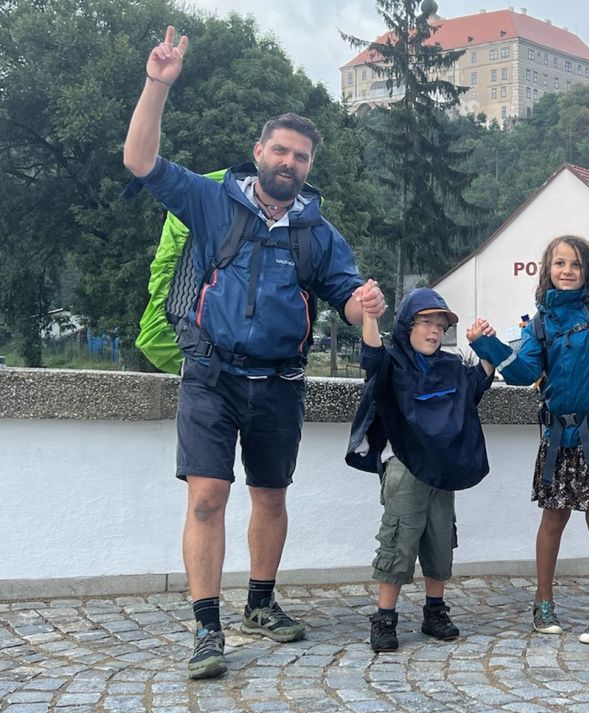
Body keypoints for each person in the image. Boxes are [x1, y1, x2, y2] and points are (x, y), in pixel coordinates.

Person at [123, 26, 385, 679]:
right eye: (282, 150)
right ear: (259, 151)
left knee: (270, 495)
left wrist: (366, 305)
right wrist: (158, 83)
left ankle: (260, 604)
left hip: (278, 382)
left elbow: (345, 295)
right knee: (208, 494)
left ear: (308, 168)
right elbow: (139, 161)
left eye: (301, 156)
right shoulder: (213, 201)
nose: (290, 163)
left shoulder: (317, 233)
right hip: (210, 372)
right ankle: (206, 628)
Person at [468, 157, 589, 645]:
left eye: (575, 263)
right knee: (553, 521)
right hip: (557, 436)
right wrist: (489, 346)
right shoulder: (538, 323)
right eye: (559, 263)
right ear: (547, 270)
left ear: (588, 271)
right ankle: (543, 603)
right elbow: (523, 373)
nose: (567, 269)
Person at [348, 286, 495, 653]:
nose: (434, 331)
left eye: (440, 325)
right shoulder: (392, 363)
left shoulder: (450, 366)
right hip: (405, 468)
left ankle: (435, 612)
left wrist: (487, 350)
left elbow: (476, 385)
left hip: (442, 471)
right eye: (426, 322)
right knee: (398, 540)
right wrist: (369, 314)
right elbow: (371, 356)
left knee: (440, 541)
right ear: (406, 326)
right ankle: (384, 617)